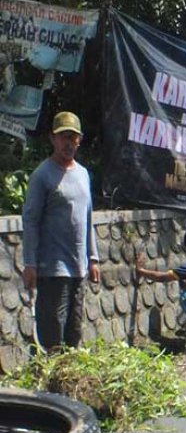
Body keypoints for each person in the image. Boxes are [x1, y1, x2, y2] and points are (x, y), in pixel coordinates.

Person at [22, 111, 100, 351]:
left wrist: (93, 258)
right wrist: (30, 263)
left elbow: (87, 218)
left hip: (78, 267)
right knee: (53, 332)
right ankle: (49, 384)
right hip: (52, 268)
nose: (68, 142)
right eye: (63, 137)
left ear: (80, 140)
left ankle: (67, 384)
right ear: (52, 139)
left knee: (74, 331)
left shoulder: (83, 174)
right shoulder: (42, 175)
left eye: (73, 137)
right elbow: (31, 221)